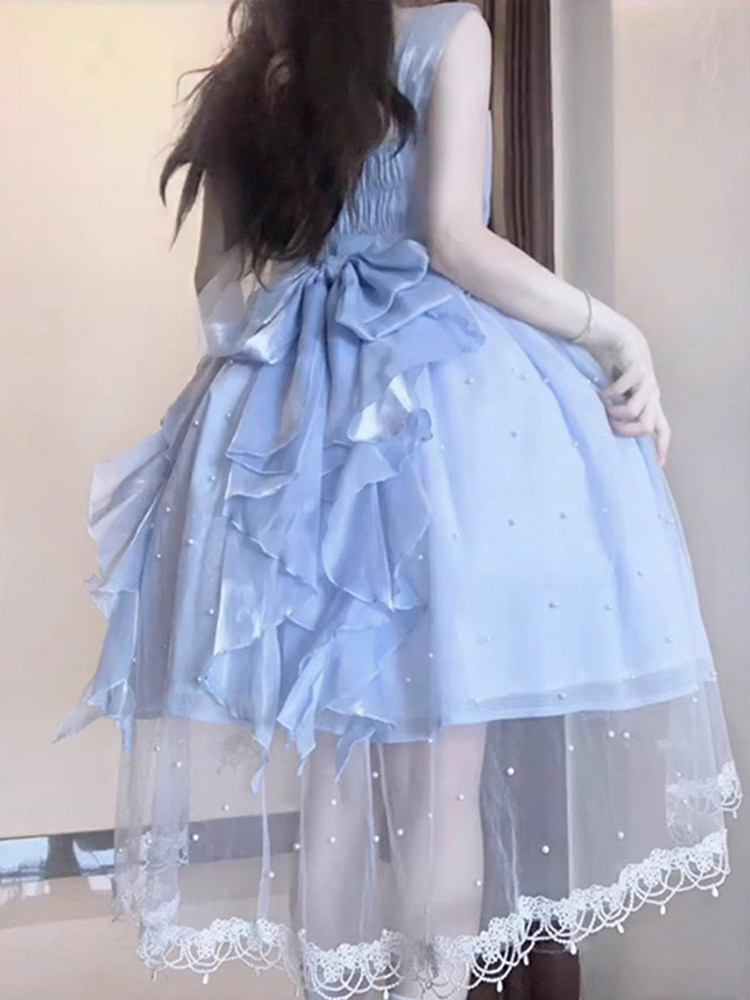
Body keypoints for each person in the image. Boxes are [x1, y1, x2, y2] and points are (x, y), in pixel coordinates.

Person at [59, 2, 740, 998]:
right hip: (431, 413)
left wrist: (298, 345)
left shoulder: (264, 54)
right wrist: (610, 330)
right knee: (441, 780)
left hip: (297, 421)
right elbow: (454, 240)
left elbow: (219, 295)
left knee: (335, 772)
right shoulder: (451, 30)